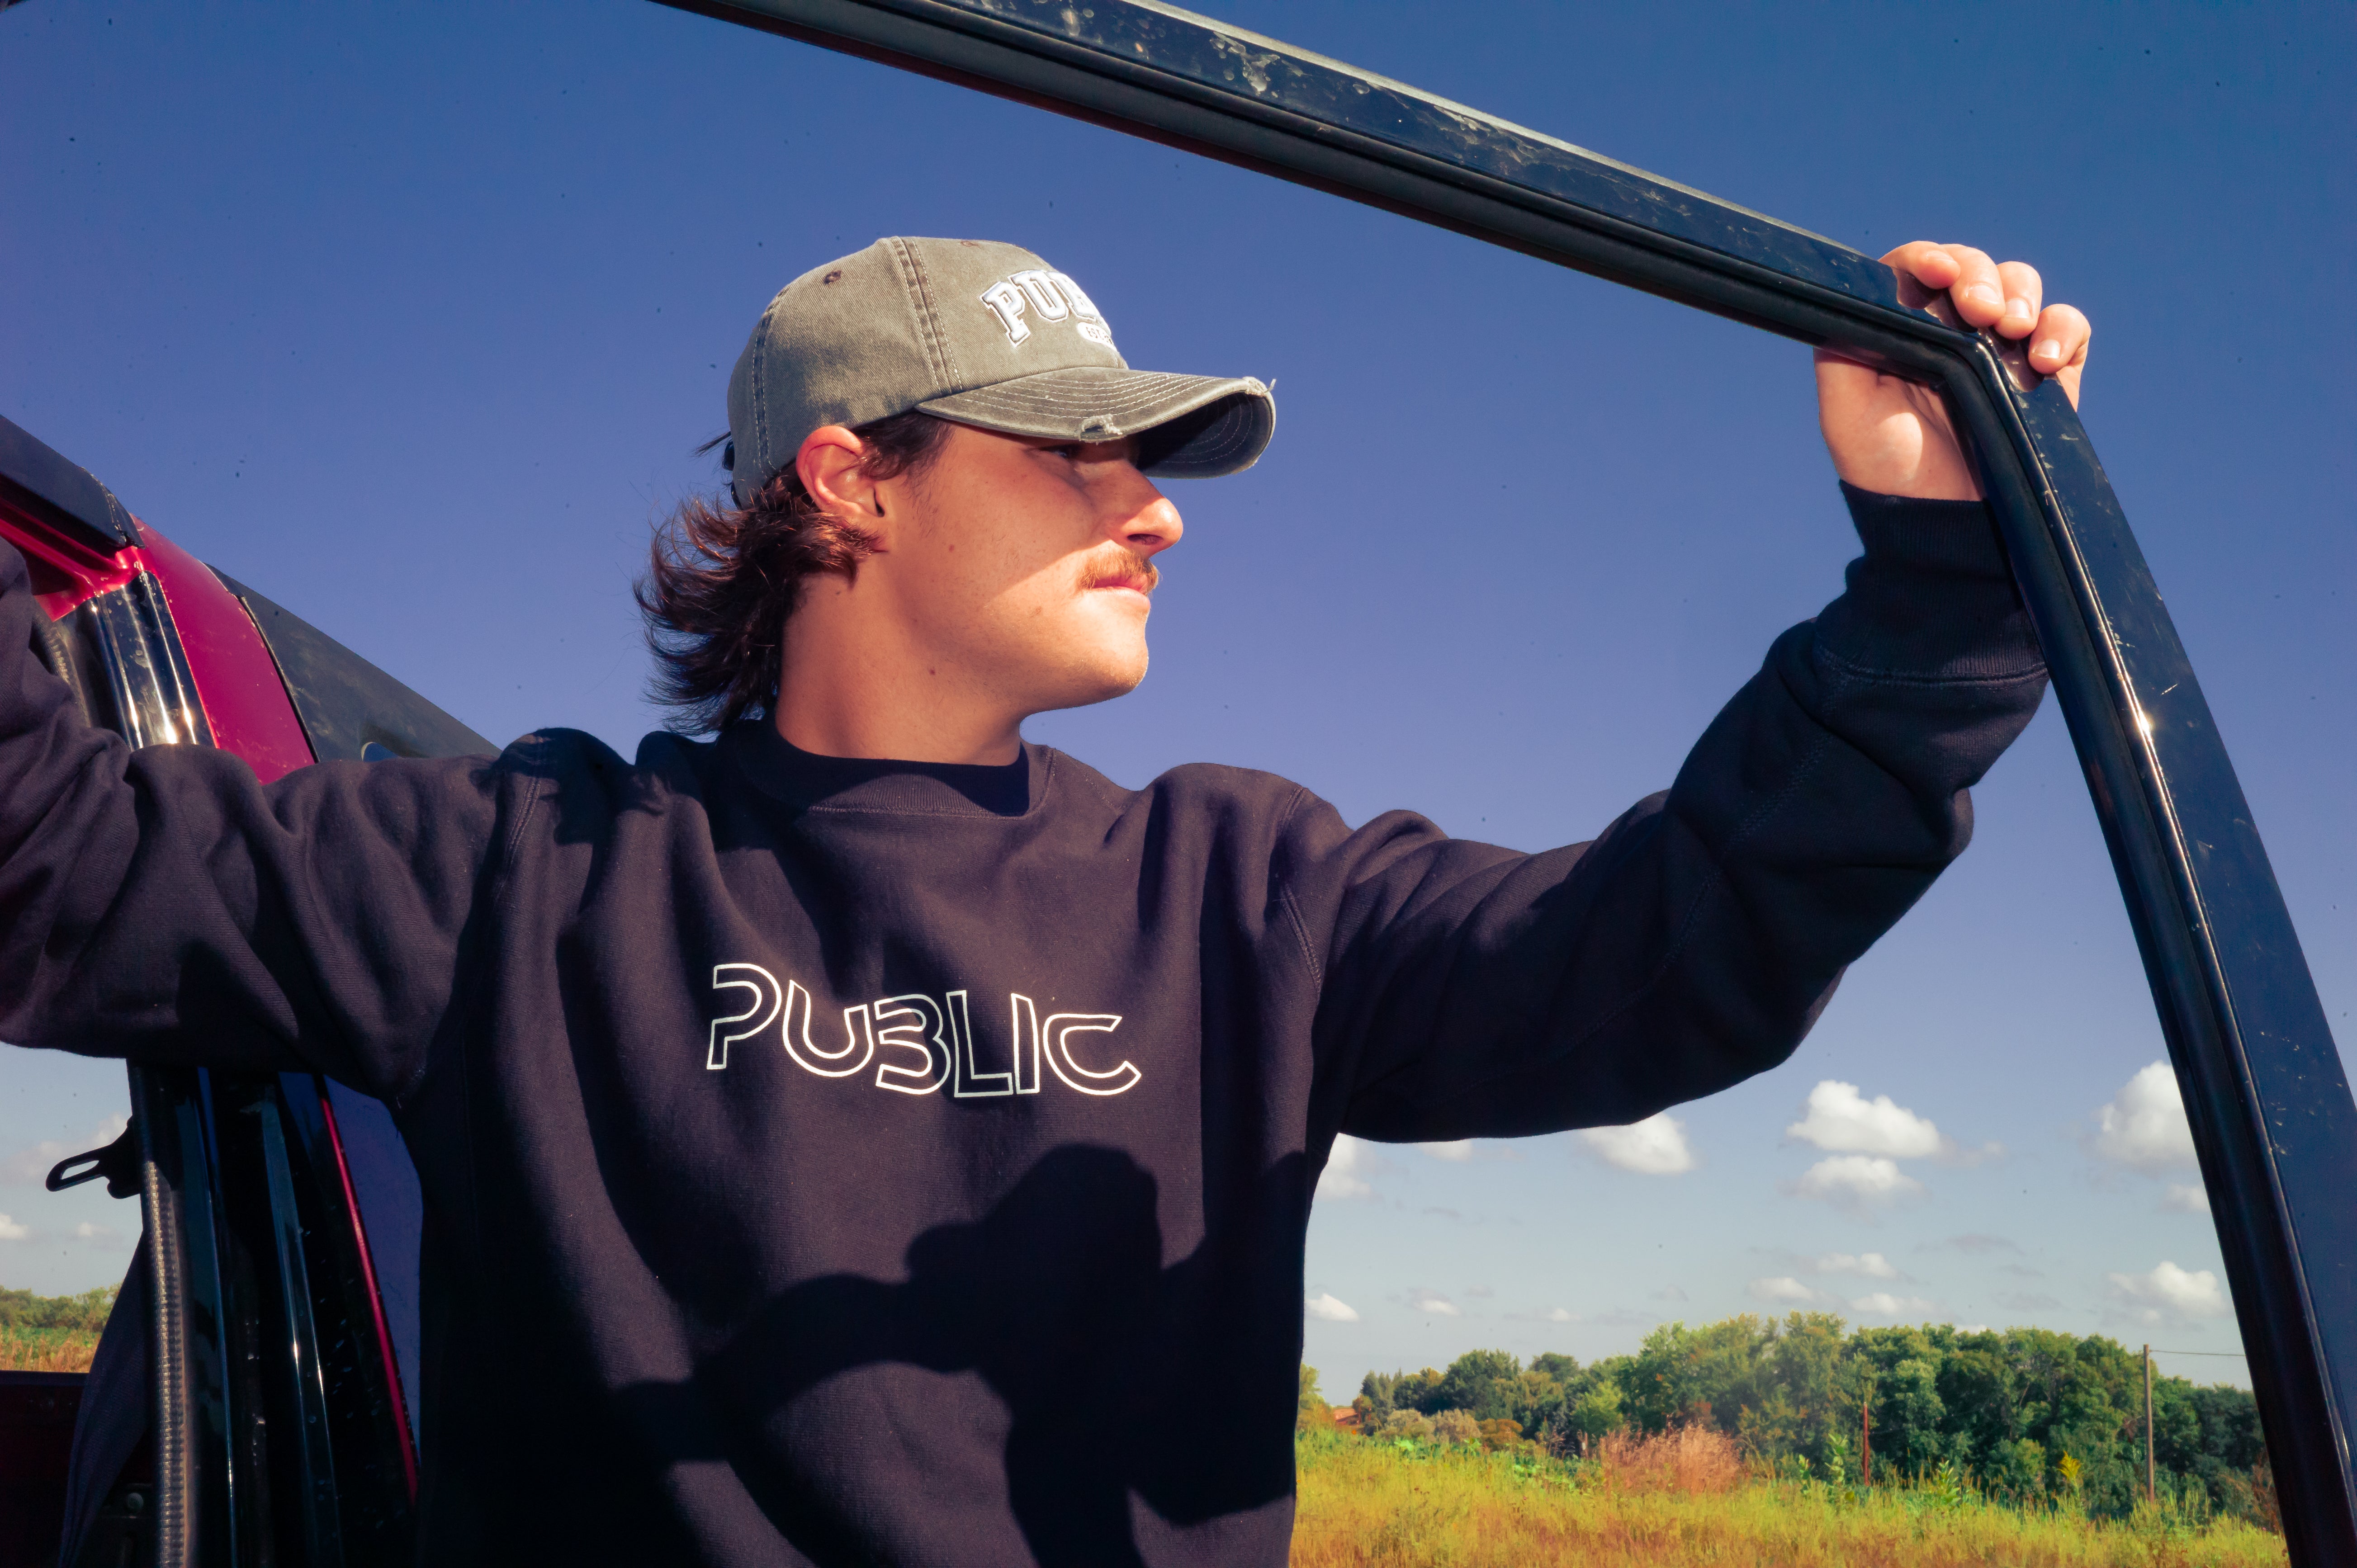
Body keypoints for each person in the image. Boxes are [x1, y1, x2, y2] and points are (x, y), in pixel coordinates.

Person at [0, 235, 2088, 1566]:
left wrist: (1941, 579)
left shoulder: (1247, 889)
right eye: (1079, 454)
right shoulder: (512, 866)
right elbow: (46, 865)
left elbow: (1666, 950)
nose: (1155, 513)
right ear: (849, 479)